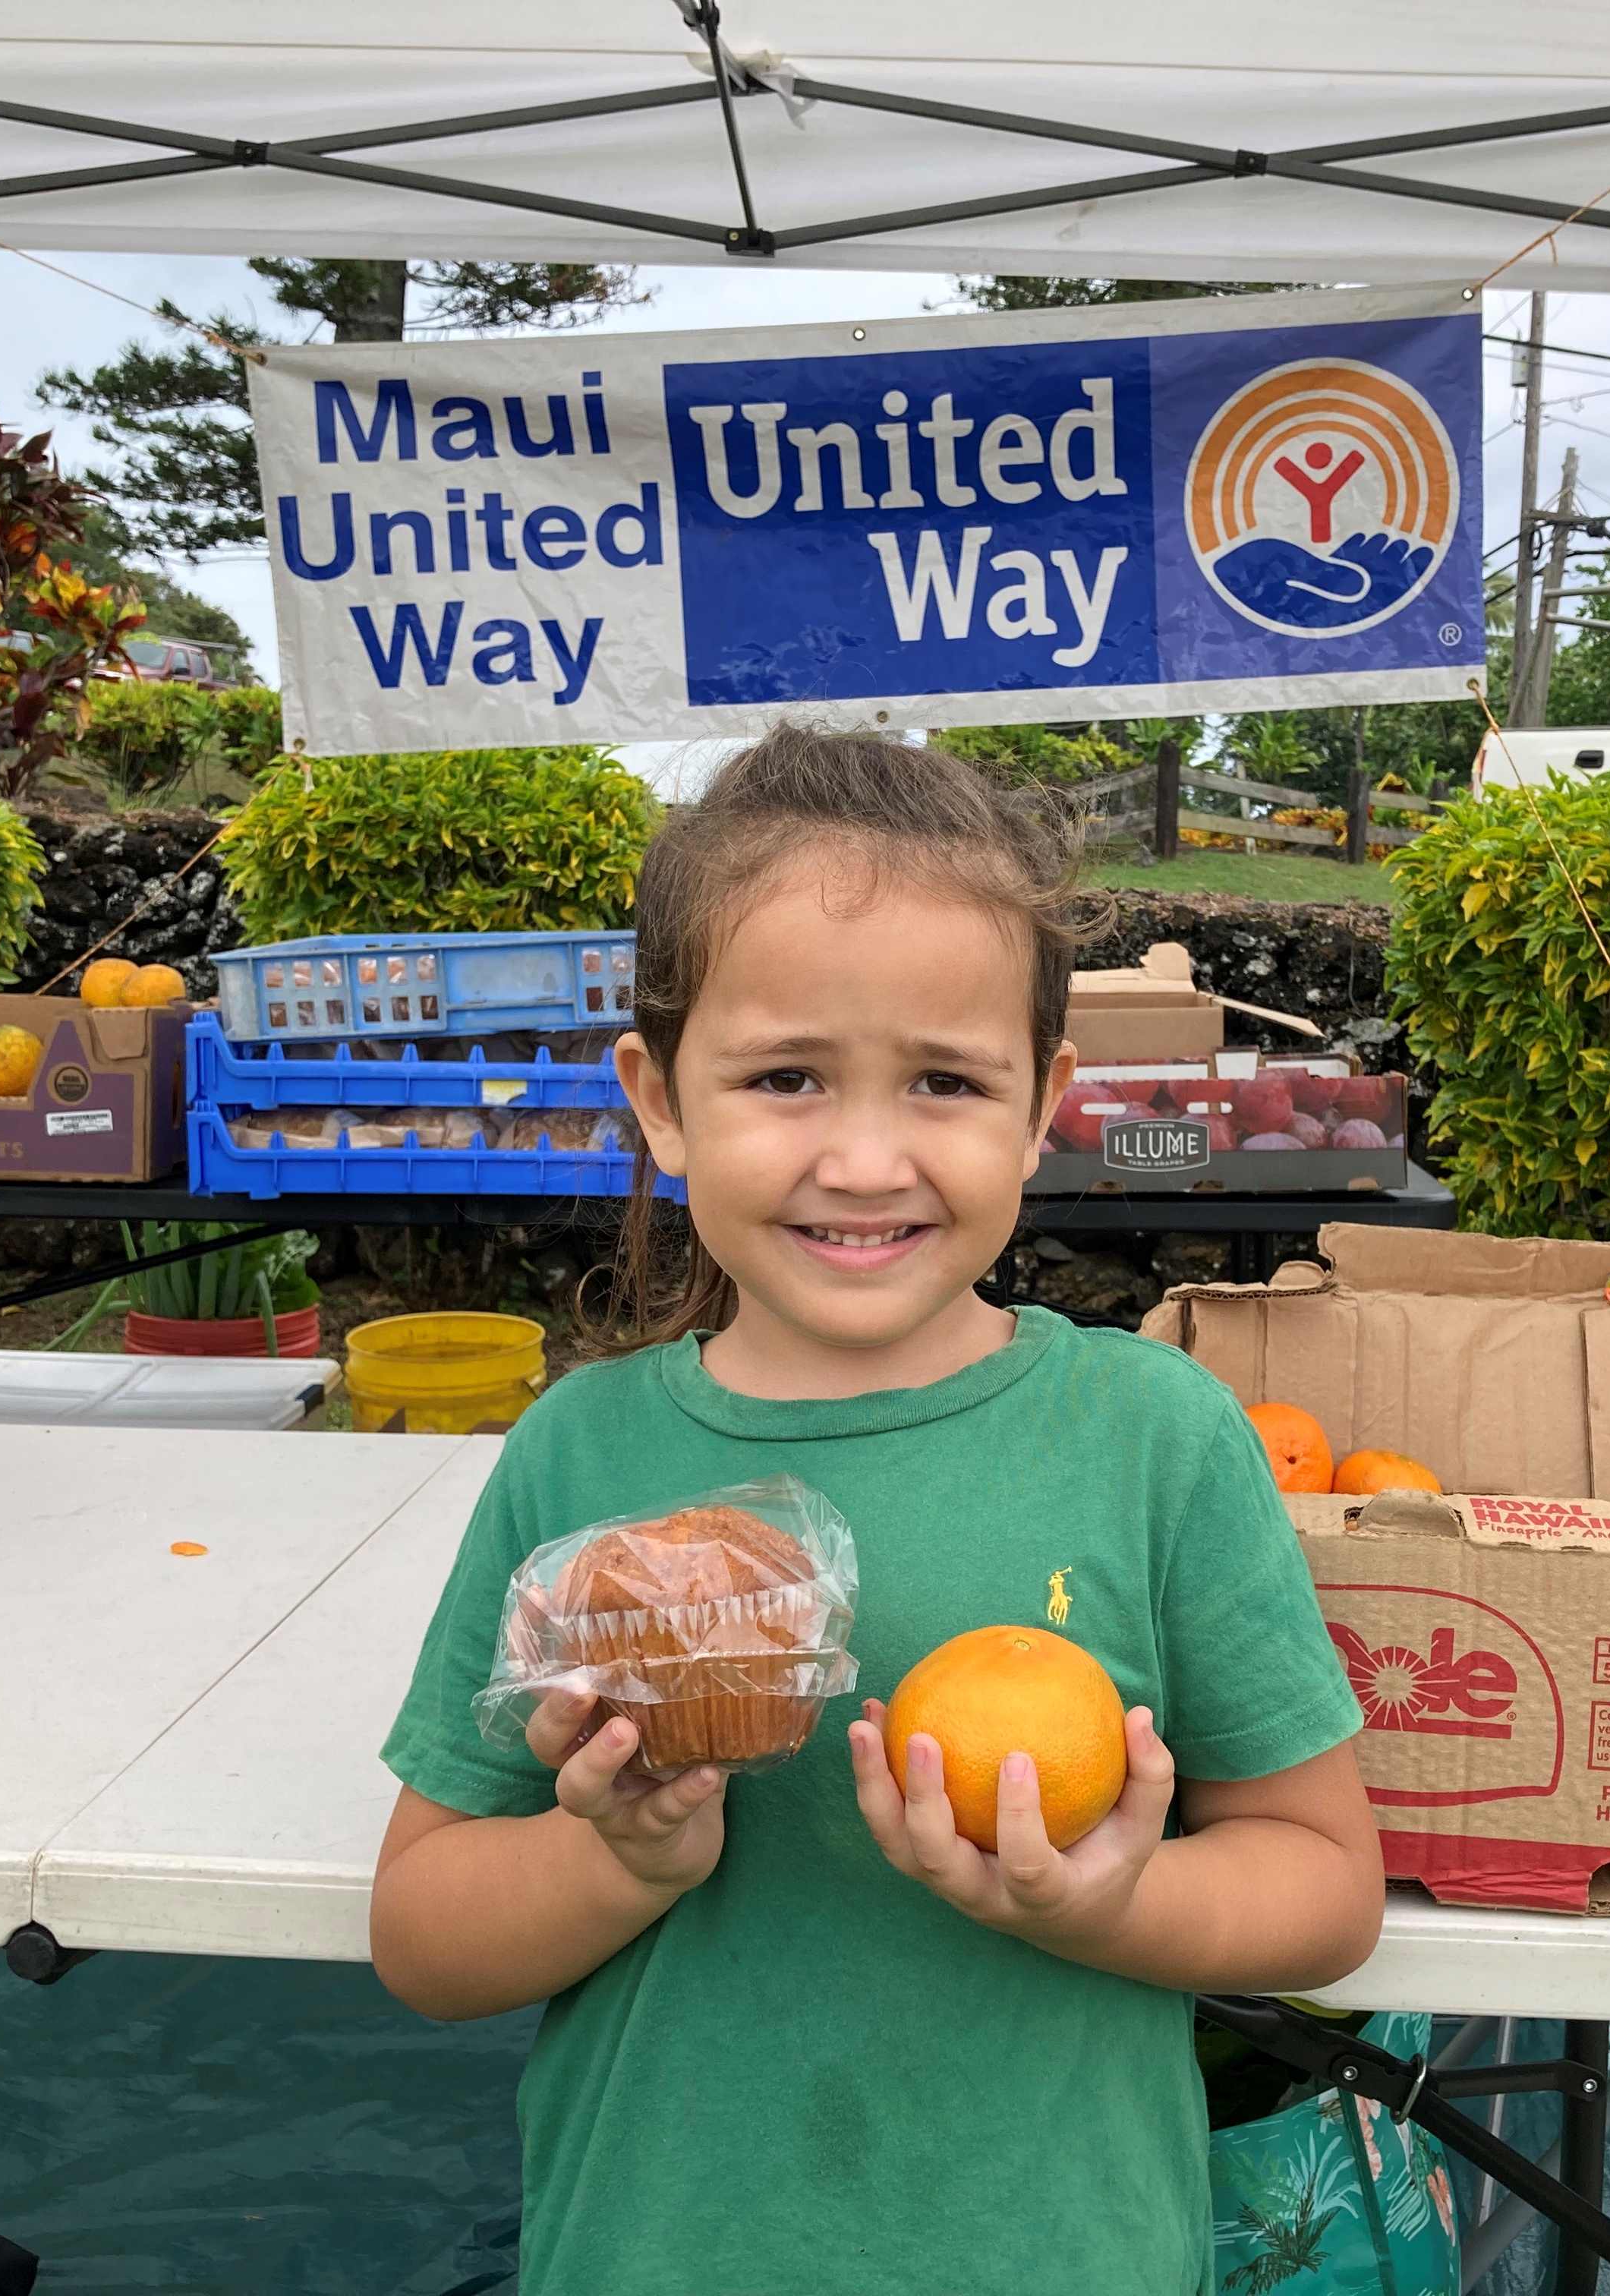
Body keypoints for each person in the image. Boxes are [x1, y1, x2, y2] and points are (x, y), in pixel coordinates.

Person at [370, 724, 1382, 2294]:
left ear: (1040, 1106)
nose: (862, 1158)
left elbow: (1323, 1886)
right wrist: (616, 1864)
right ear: (659, 1097)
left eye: (943, 1082)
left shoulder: (1151, 1436)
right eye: (784, 1078)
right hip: (655, 2257)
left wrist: (1111, 1903)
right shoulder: (582, 1461)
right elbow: (425, 1938)